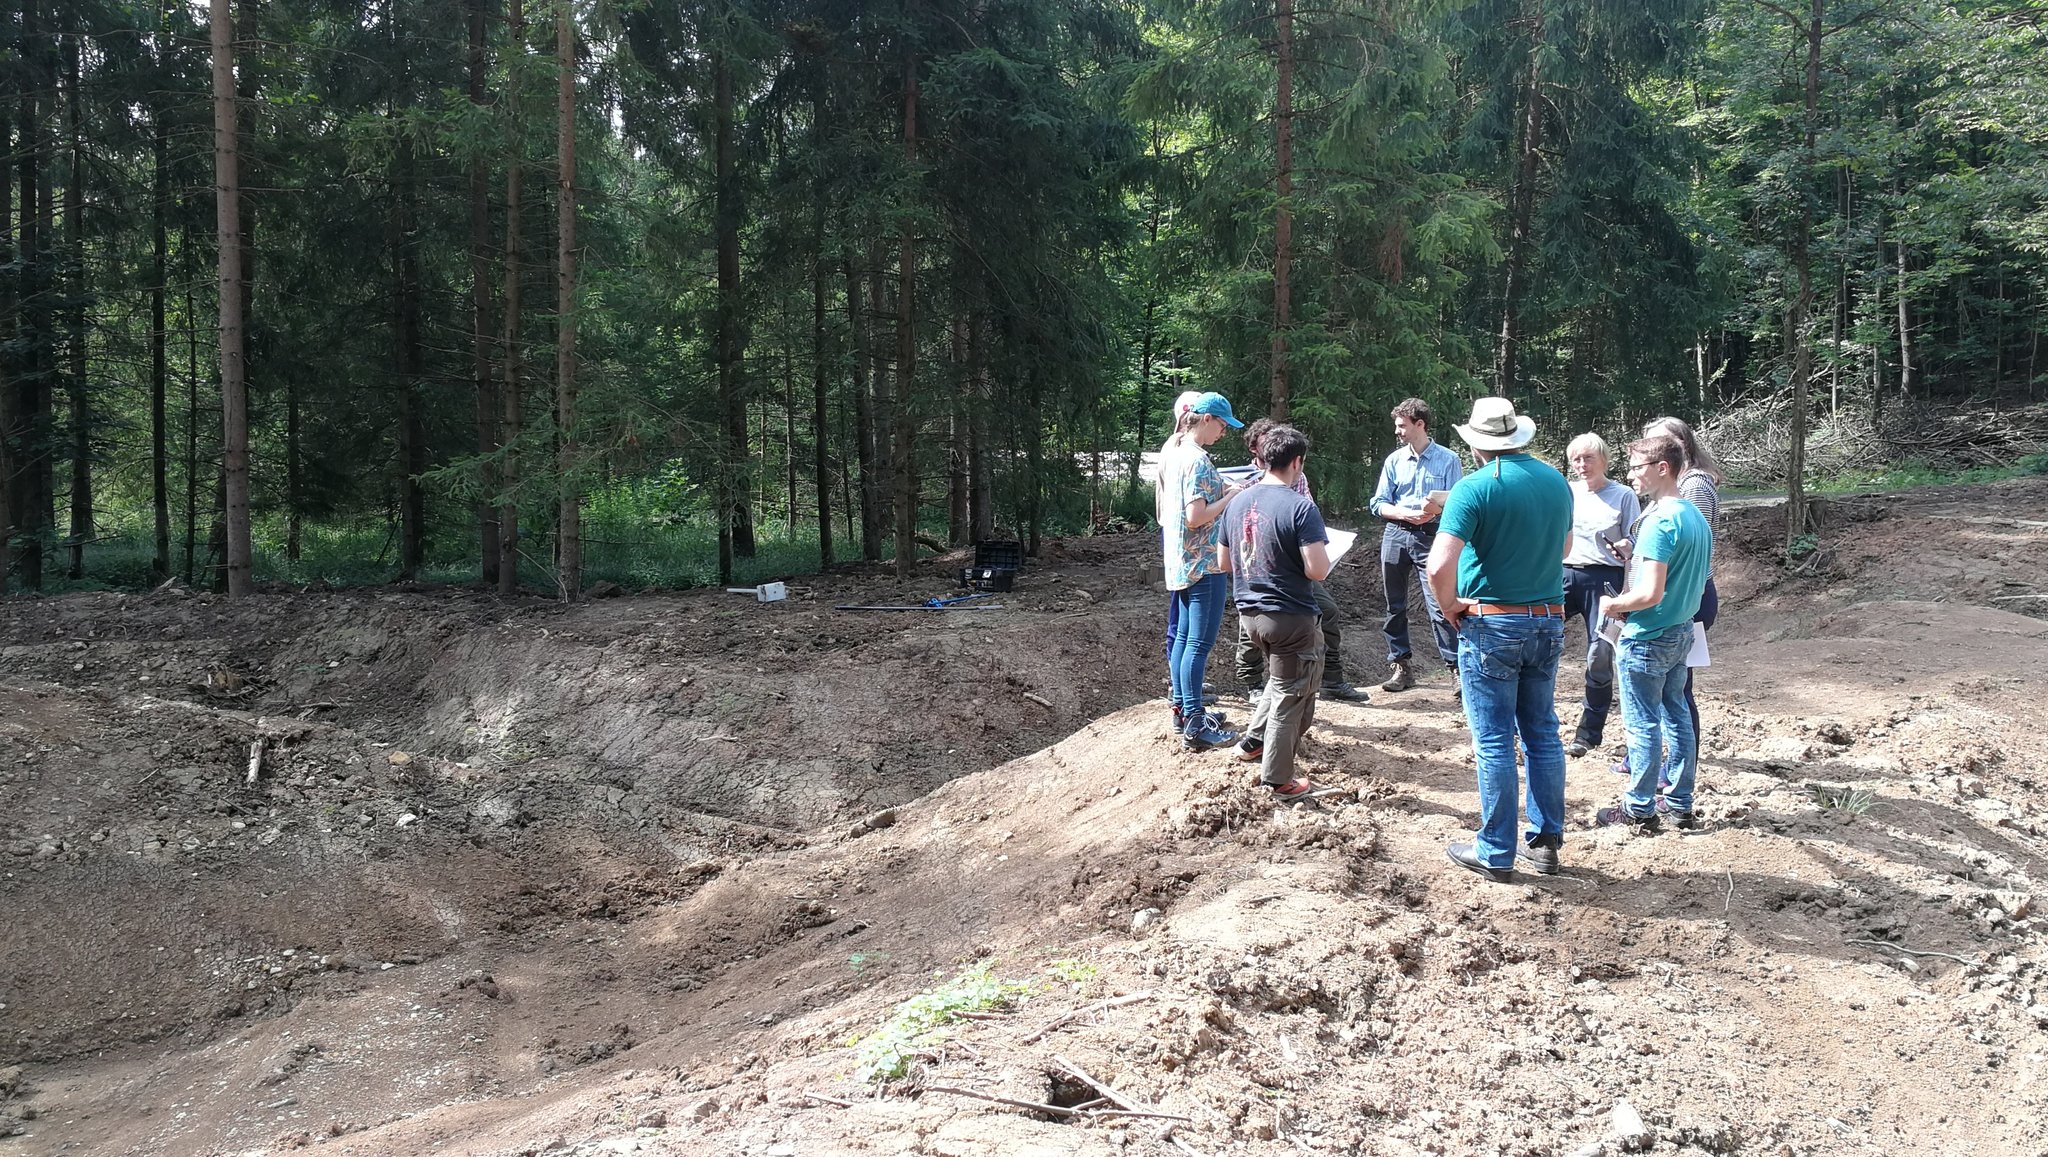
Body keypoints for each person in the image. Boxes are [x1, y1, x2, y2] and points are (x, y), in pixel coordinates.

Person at [1425, 397, 1573, 882]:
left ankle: (1495, 851)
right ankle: (1546, 842)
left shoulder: (1474, 488)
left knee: (1493, 741)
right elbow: (1566, 547)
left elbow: (1438, 564)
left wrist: (1450, 607)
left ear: (1475, 444)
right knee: (1542, 733)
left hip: (1493, 625)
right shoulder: (1556, 481)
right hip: (1548, 619)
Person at [1595, 433, 1713, 832]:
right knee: (1677, 715)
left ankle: (1639, 808)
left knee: (1642, 723)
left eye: (1636, 468)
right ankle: (1680, 804)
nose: (1630, 476)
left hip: (1648, 636)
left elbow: (1648, 593)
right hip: (1681, 630)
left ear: (1663, 468)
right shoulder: (1694, 516)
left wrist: (1614, 606)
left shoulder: (1659, 521)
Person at [1216, 423, 1331, 796]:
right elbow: (1317, 569)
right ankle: (1279, 779)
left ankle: (1252, 742)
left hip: (1249, 614)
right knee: (1293, 695)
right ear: (1297, 462)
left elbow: (1223, 563)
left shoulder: (1236, 503)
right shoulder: (1300, 507)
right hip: (1291, 616)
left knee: (1279, 683)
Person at [1610, 416, 1722, 785]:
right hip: (1669, 604)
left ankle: (1655, 786)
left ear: (1673, 454)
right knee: (1669, 699)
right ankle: (1675, 784)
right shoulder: (1672, 503)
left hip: (1670, 607)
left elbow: (1689, 552)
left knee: (1673, 699)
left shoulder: (1693, 490)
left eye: (1653, 448)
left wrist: (1617, 605)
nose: (1632, 472)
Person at [1231, 419, 1366, 704]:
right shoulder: (1244, 482)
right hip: (1258, 566)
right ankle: (1253, 682)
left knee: (1326, 610)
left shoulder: (1297, 478)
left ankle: (1331, 678)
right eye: (1263, 447)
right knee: (1254, 622)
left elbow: (1307, 513)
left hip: (1295, 563)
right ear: (1255, 450)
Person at [1158, 391, 1248, 751]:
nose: (1223, 434)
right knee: (1197, 644)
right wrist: (1232, 497)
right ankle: (1196, 724)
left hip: (1181, 561)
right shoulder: (1197, 460)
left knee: (1182, 640)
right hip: (1204, 563)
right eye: (1223, 426)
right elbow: (1197, 516)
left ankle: (1183, 710)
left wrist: (1221, 489)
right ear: (1206, 419)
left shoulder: (1177, 451)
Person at [1368, 398, 1463, 694]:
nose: (1398, 432)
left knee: (1439, 605)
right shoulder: (1393, 461)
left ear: (1419, 424)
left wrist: (1435, 512)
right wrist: (1404, 513)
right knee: (1394, 606)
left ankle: (1456, 669)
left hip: (1432, 536)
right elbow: (1378, 503)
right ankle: (1401, 667)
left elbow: (1458, 504)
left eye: (1401, 426)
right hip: (1396, 533)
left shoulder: (1448, 459)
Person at [1561, 433, 1641, 758]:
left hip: (1606, 580)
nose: (1582, 465)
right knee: (1537, 635)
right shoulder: (1566, 491)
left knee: (1600, 655)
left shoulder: (1623, 495)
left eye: (1588, 458)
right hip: (1564, 574)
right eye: (1576, 459)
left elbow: (1638, 540)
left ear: (1603, 460)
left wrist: (1627, 552)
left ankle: (1588, 734)